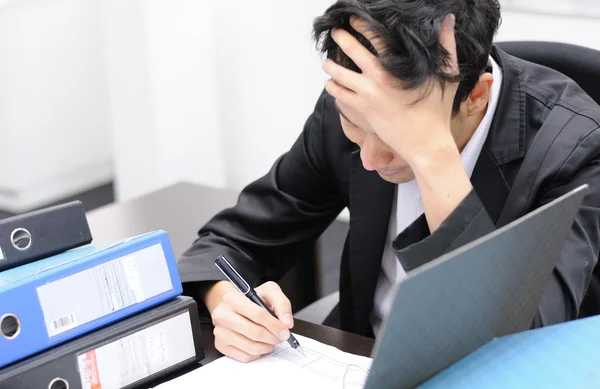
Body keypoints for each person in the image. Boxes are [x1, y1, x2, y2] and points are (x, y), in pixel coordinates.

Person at [178, 0, 600, 363]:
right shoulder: (357, 104)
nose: (370, 158)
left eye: (396, 137)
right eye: (355, 127)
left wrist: (433, 157)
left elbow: (515, 347)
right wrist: (224, 300)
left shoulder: (575, 150)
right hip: (361, 359)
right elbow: (230, 242)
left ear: (475, 97)